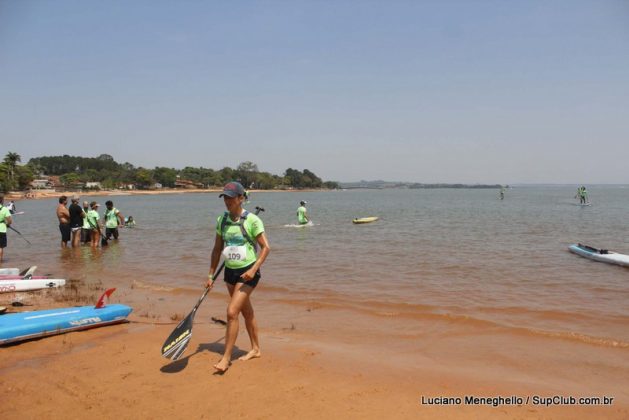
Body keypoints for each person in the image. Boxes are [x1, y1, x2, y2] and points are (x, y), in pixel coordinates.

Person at [207, 181, 271, 373]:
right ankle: (256, 349)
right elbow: (217, 249)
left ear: (241, 198)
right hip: (230, 272)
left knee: (231, 312)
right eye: (225, 197)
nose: (227, 201)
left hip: (248, 272)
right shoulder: (222, 220)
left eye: (231, 197)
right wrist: (210, 275)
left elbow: (266, 248)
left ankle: (226, 359)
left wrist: (253, 270)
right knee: (246, 312)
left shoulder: (252, 220)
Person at [0, 195, 13, 262]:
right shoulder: (4, 209)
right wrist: (7, 224)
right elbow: (10, 221)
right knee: (0, 247)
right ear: (2, 201)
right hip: (1, 230)